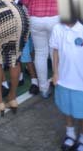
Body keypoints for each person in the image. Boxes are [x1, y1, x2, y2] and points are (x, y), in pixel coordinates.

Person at [20, 0, 58, 98]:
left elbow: (25, 0)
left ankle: (43, 88)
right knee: (55, 51)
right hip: (55, 17)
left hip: (36, 18)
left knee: (40, 53)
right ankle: (58, 82)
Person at [50, 19, 83, 151]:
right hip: (63, 80)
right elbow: (55, 51)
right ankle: (70, 134)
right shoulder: (57, 28)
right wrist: (55, 73)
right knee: (66, 109)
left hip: (80, 84)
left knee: (81, 112)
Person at [5, 0, 39, 95]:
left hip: (23, 36)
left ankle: (34, 82)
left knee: (27, 59)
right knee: (17, 59)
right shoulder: (8, 3)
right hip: (14, 35)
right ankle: (20, 78)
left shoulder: (22, 4)